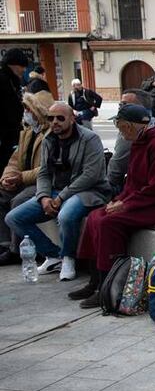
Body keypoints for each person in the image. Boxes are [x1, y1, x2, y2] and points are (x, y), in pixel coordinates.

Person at [67, 105, 155, 309]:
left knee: (109, 223)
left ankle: (108, 286)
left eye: (121, 126)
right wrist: (119, 200)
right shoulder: (140, 141)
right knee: (95, 216)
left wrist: (126, 204)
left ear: (132, 126)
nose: (120, 131)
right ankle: (95, 280)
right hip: (146, 199)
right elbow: (132, 182)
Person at [5, 103, 110, 282]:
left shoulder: (89, 138)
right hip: (56, 192)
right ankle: (54, 256)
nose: (55, 122)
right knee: (13, 218)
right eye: (51, 118)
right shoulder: (48, 139)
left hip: (87, 192)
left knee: (66, 215)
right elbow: (44, 173)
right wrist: (44, 197)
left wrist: (61, 197)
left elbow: (90, 176)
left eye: (60, 118)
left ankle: (69, 257)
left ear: (72, 119)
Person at [0, 90, 52, 265]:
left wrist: (21, 177)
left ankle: (16, 250)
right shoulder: (27, 133)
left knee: (18, 201)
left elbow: (46, 169)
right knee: (1, 194)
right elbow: (14, 160)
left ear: (38, 111)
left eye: (29, 109)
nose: (26, 112)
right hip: (23, 180)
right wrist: (7, 176)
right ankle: (4, 244)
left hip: (41, 183)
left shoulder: (50, 134)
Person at [105, 88, 155, 197]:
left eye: (124, 105)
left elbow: (117, 169)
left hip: (146, 195)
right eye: (120, 105)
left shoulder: (135, 132)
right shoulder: (153, 125)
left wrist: (107, 191)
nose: (120, 108)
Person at [1, 49, 30, 159]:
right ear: (12, 64)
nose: (24, 70)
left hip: (12, 134)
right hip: (5, 136)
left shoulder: (13, 81)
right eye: (22, 66)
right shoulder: (4, 81)